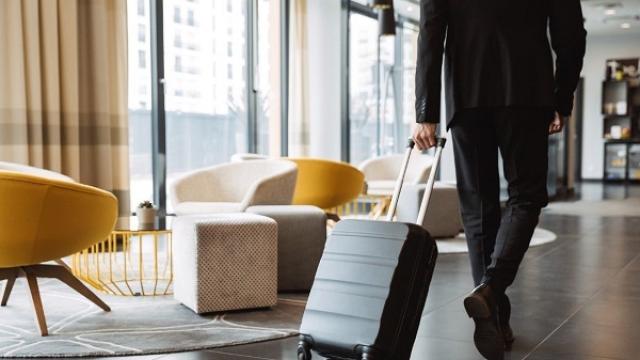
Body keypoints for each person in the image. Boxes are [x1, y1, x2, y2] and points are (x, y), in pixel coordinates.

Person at [412, 0, 586, 359]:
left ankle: (496, 317)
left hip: (465, 94)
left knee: (478, 209)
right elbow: (571, 34)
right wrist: (561, 97)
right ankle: (490, 289)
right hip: (527, 93)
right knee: (527, 197)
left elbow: (430, 31)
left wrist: (425, 112)